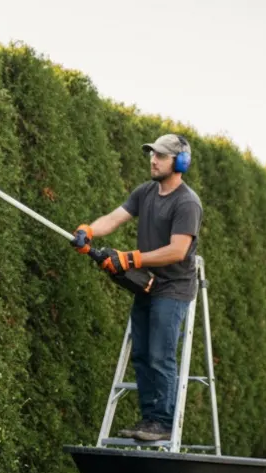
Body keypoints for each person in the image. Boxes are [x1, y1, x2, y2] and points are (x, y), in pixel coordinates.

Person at [70, 133, 203, 443]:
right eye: (152, 154)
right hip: (147, 285)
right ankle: (150, 419)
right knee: (142, 354)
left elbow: (178, 250)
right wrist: (88, 229)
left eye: (161, 156)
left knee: (160, 354)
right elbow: (115, 218)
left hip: (173, 288)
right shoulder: (145, 192)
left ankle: (164, 422)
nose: (153, 160)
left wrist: (131, 259)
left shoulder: (187, 202)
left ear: (180, 162)